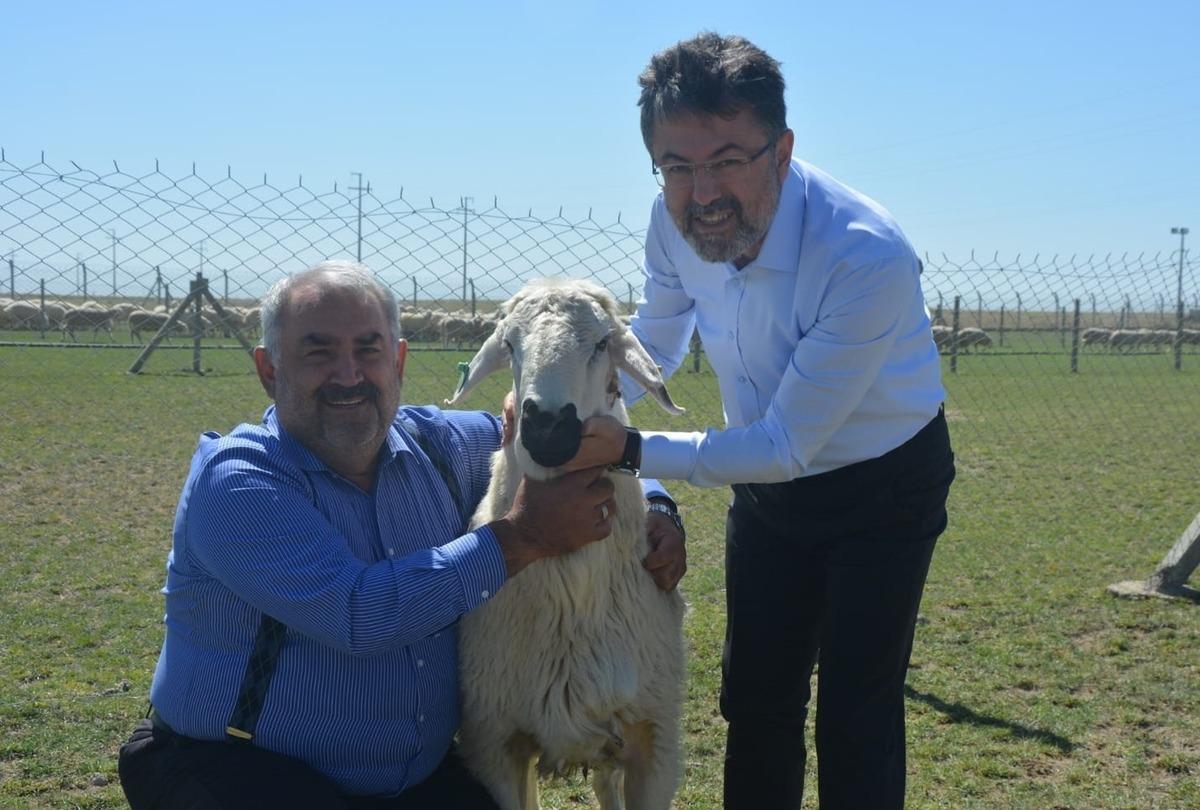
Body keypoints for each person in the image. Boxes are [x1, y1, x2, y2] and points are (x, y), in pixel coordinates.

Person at [117, 260, 685, 809]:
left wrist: (657, 503)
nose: (348, 375)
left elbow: (572, 441)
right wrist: (521, 536)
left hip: (410, 783)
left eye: (368, 349)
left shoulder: (440, 446)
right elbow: (357, 614)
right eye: (318, 351)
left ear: (399, 361)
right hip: (239, 768)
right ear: (269, 370)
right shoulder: (238, 481)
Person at [566, 32, 956, 809]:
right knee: (756, 703)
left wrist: (631, 446)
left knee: (856, 711)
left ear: (782, 150)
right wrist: (584, 402)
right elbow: (663, 336)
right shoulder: (671, 220)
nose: (701, 191)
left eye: (729, 159)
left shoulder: (863, 256)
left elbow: (785, 443)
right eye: (678, 165)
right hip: (768, 493)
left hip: (883, 486)